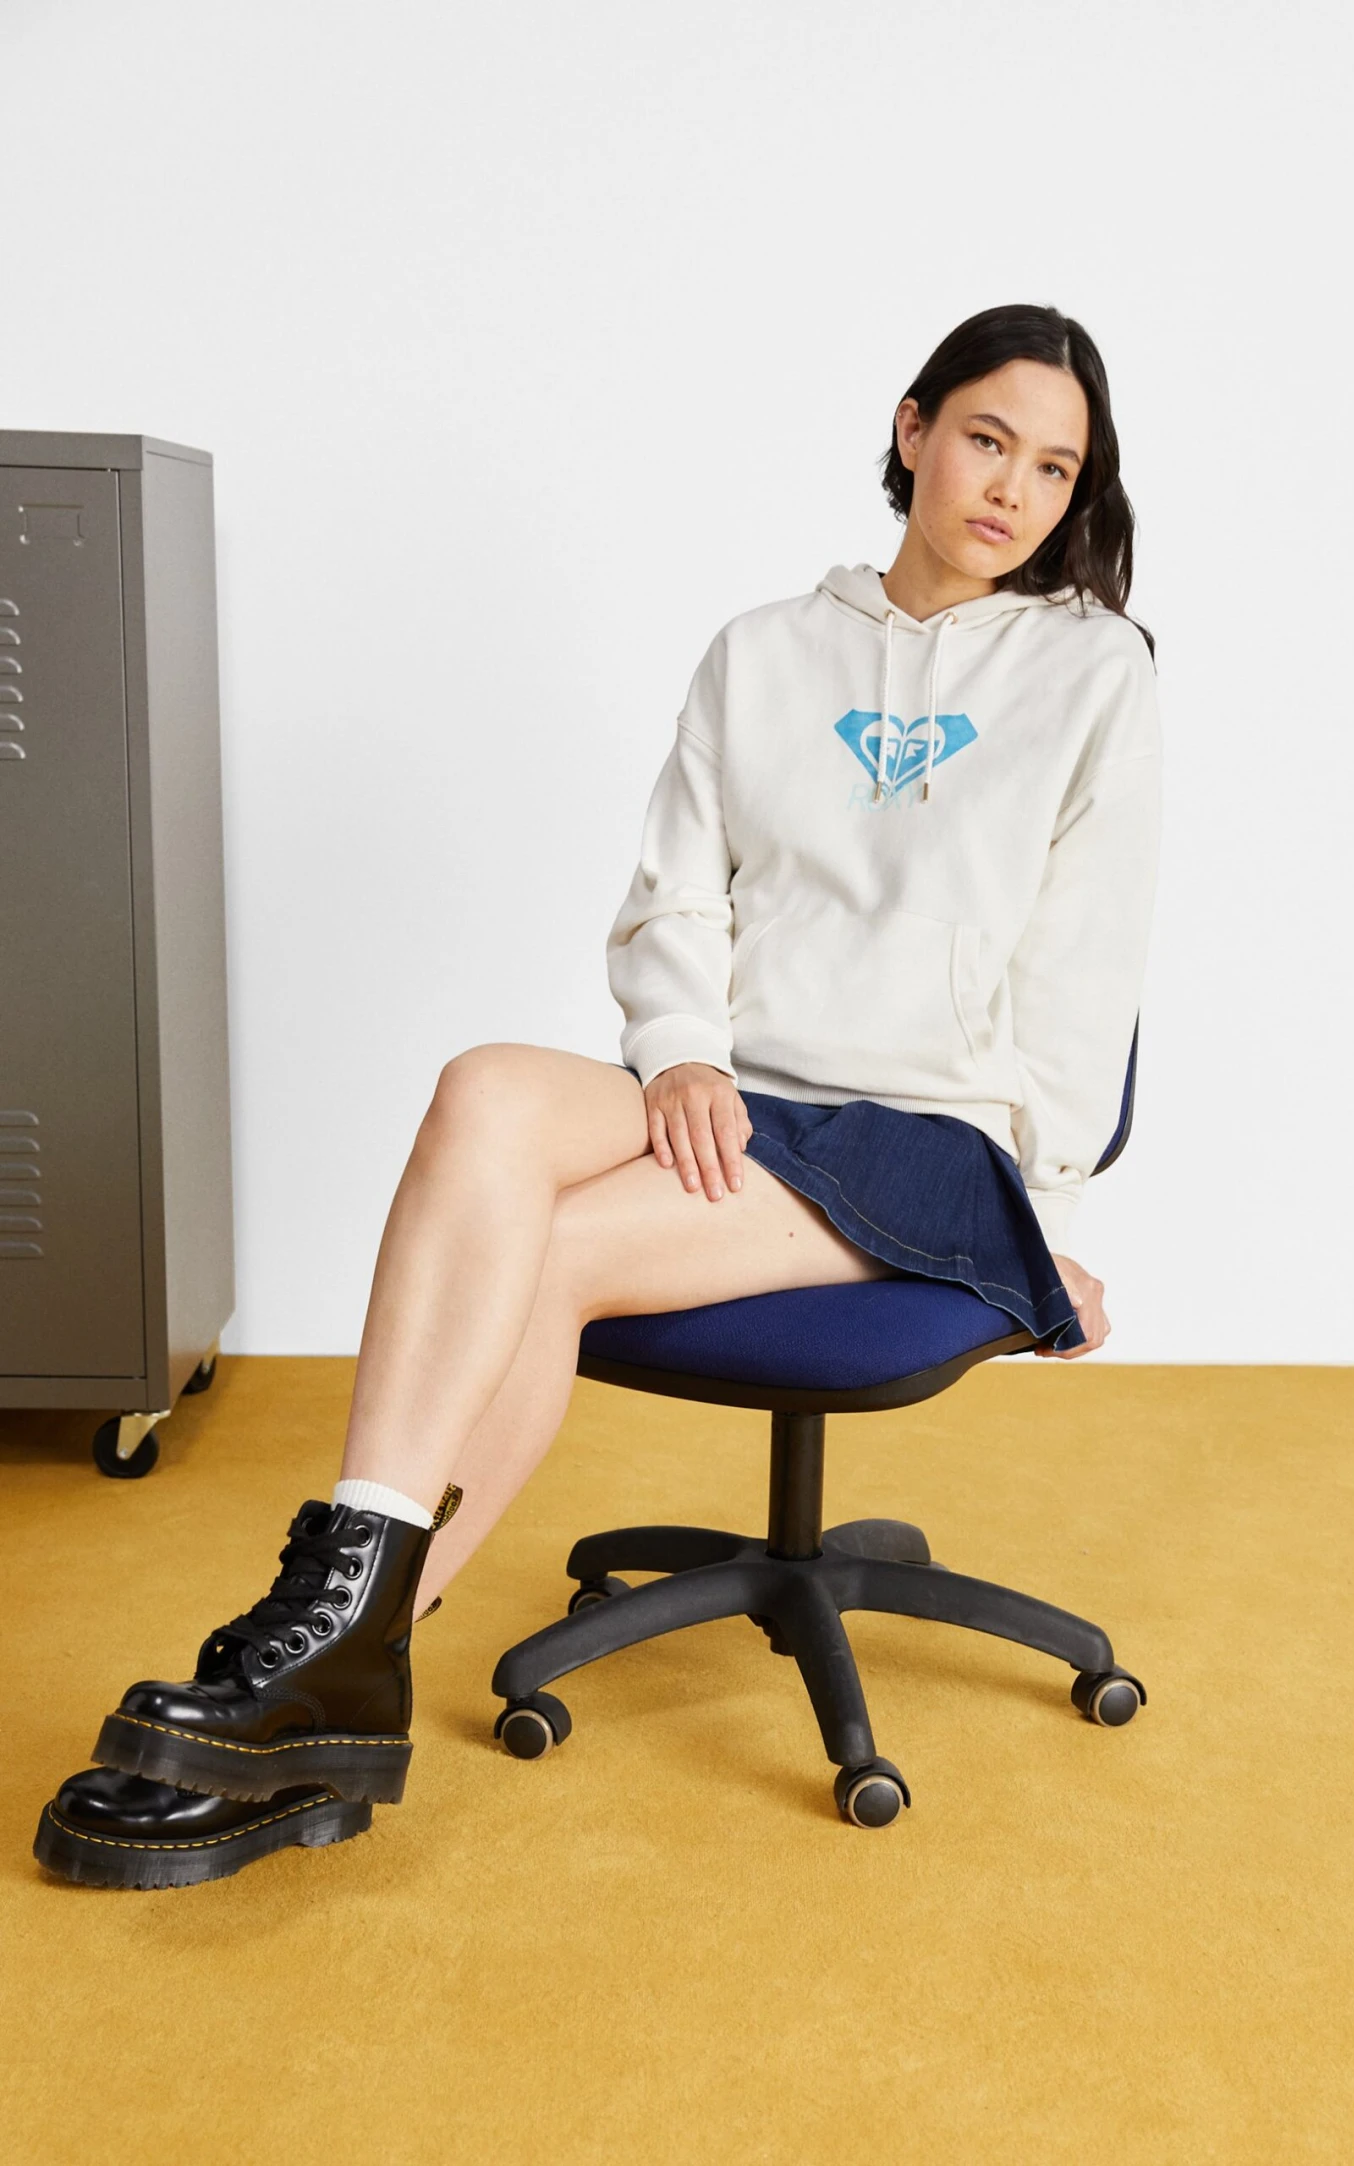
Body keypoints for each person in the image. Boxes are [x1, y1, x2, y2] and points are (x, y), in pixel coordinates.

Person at [35, 301, 1163, 1888]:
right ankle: (333, 1642)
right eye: (988, 440)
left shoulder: (1094, 670)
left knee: (551, 1252)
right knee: (486, 1091)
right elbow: (677, 893)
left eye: (1055, 468)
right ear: (913, 428)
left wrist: (1030, 1215)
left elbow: (1087, 959)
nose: (1015, 491)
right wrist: (683, 1049)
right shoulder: (763, 652)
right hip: (748, 1098)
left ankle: (333, 1665)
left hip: (928, 1145)